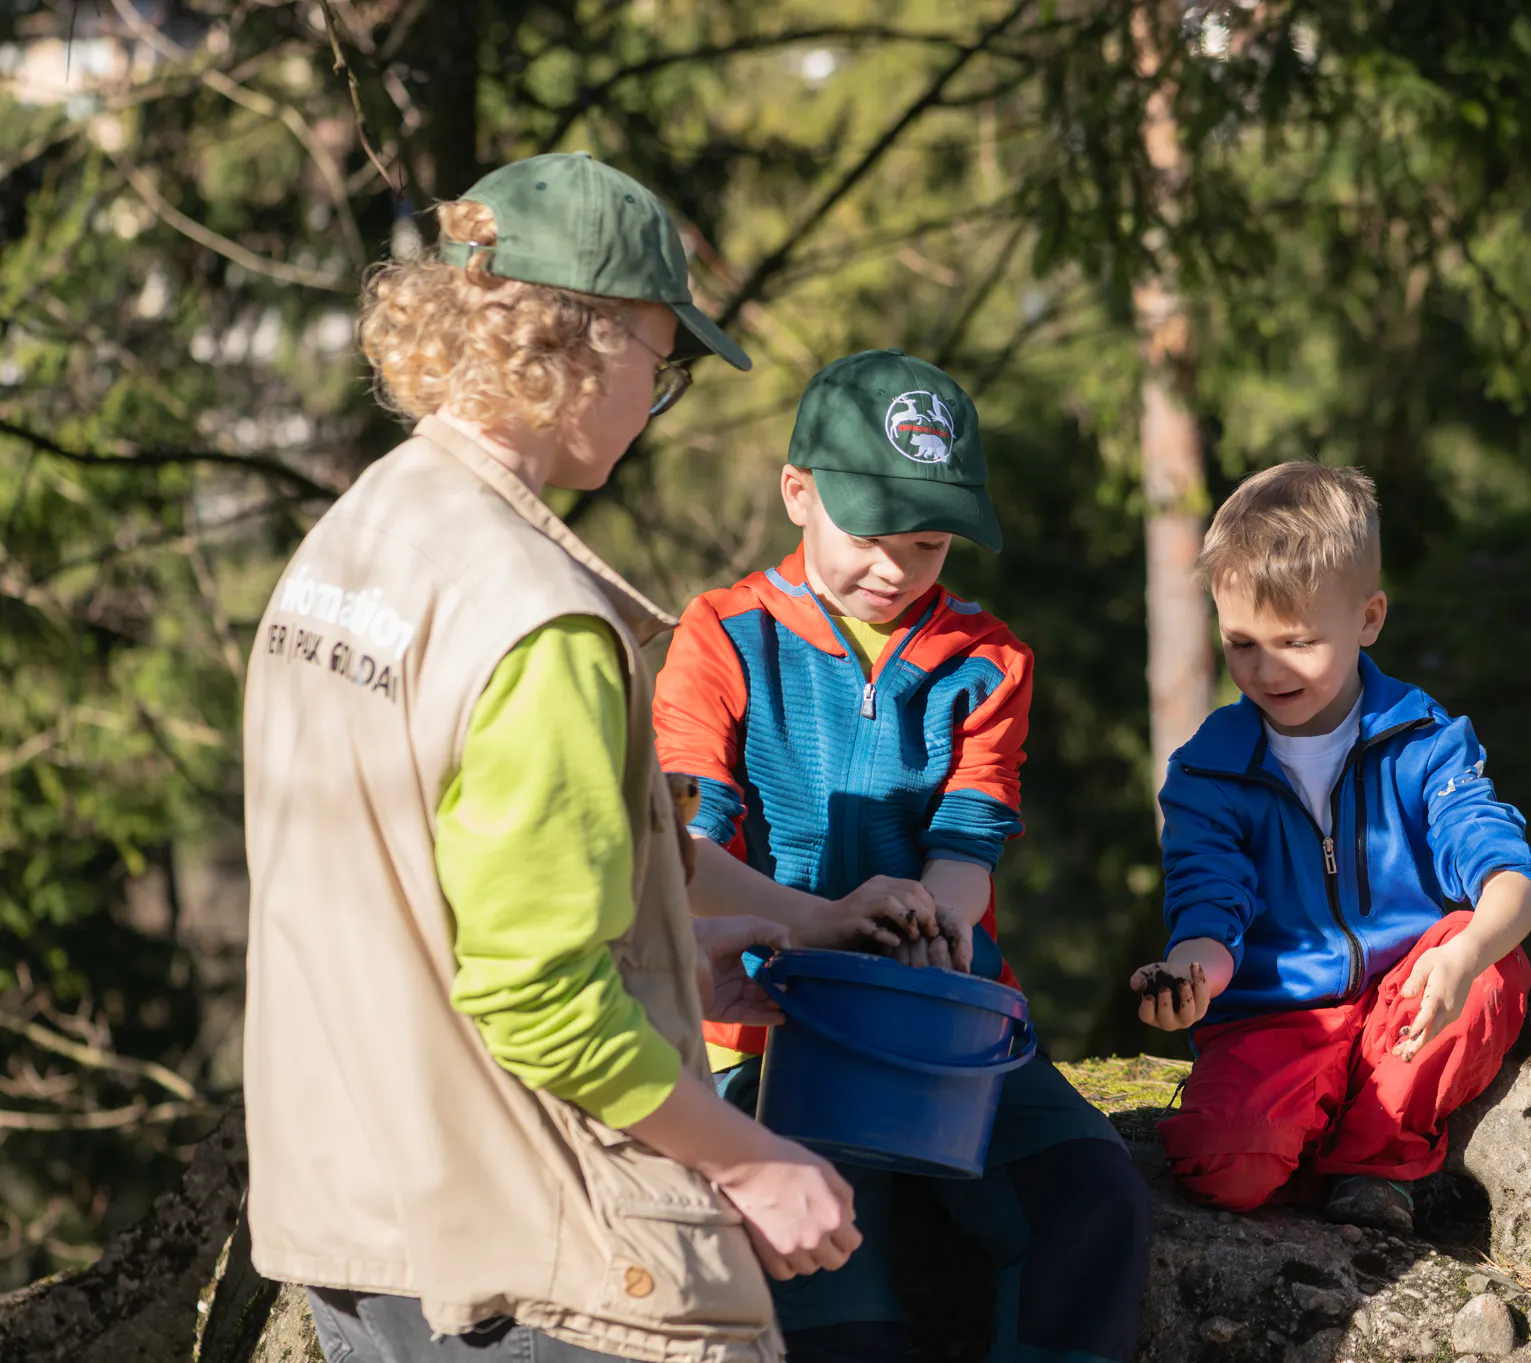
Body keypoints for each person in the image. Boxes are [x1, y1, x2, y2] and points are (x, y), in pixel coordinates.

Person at [241, 152, 861, 1363]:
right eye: (661, 359)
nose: (657, 394)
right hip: (529, 1265)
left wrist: (723, 946)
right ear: (590, 340)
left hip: (352, 1224)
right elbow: (539, 1001)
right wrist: (753, 1157)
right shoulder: (543, 624)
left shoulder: (361, 532)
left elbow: (437, 873)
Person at [652, 349, 1152, 1363]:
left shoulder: (988, 656)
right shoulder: (720, 637)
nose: (894, 568)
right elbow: (682, 856)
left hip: (941, 1020)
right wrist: (819, 925)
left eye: (926, 544)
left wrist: (937, 919)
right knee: (841, 1279)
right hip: (760, 1028)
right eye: (871, 536)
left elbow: (967, 846)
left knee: (1092, 1197)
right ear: (798, 492)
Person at [1130, 461, 1531, 1235]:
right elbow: (1208, 900)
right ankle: (1320, 1122)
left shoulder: (1425, 740)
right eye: (1242, 643)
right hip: (1278, 1018)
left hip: (1409, 1001)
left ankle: (1379, 1161)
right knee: (1222, 1166)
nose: (1266, 669)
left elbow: (1506, 872)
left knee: (1487, 963)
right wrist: (1192, 974)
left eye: (1297, 641)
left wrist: (1465, 953)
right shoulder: (1207, 768)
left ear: (1369, 617)